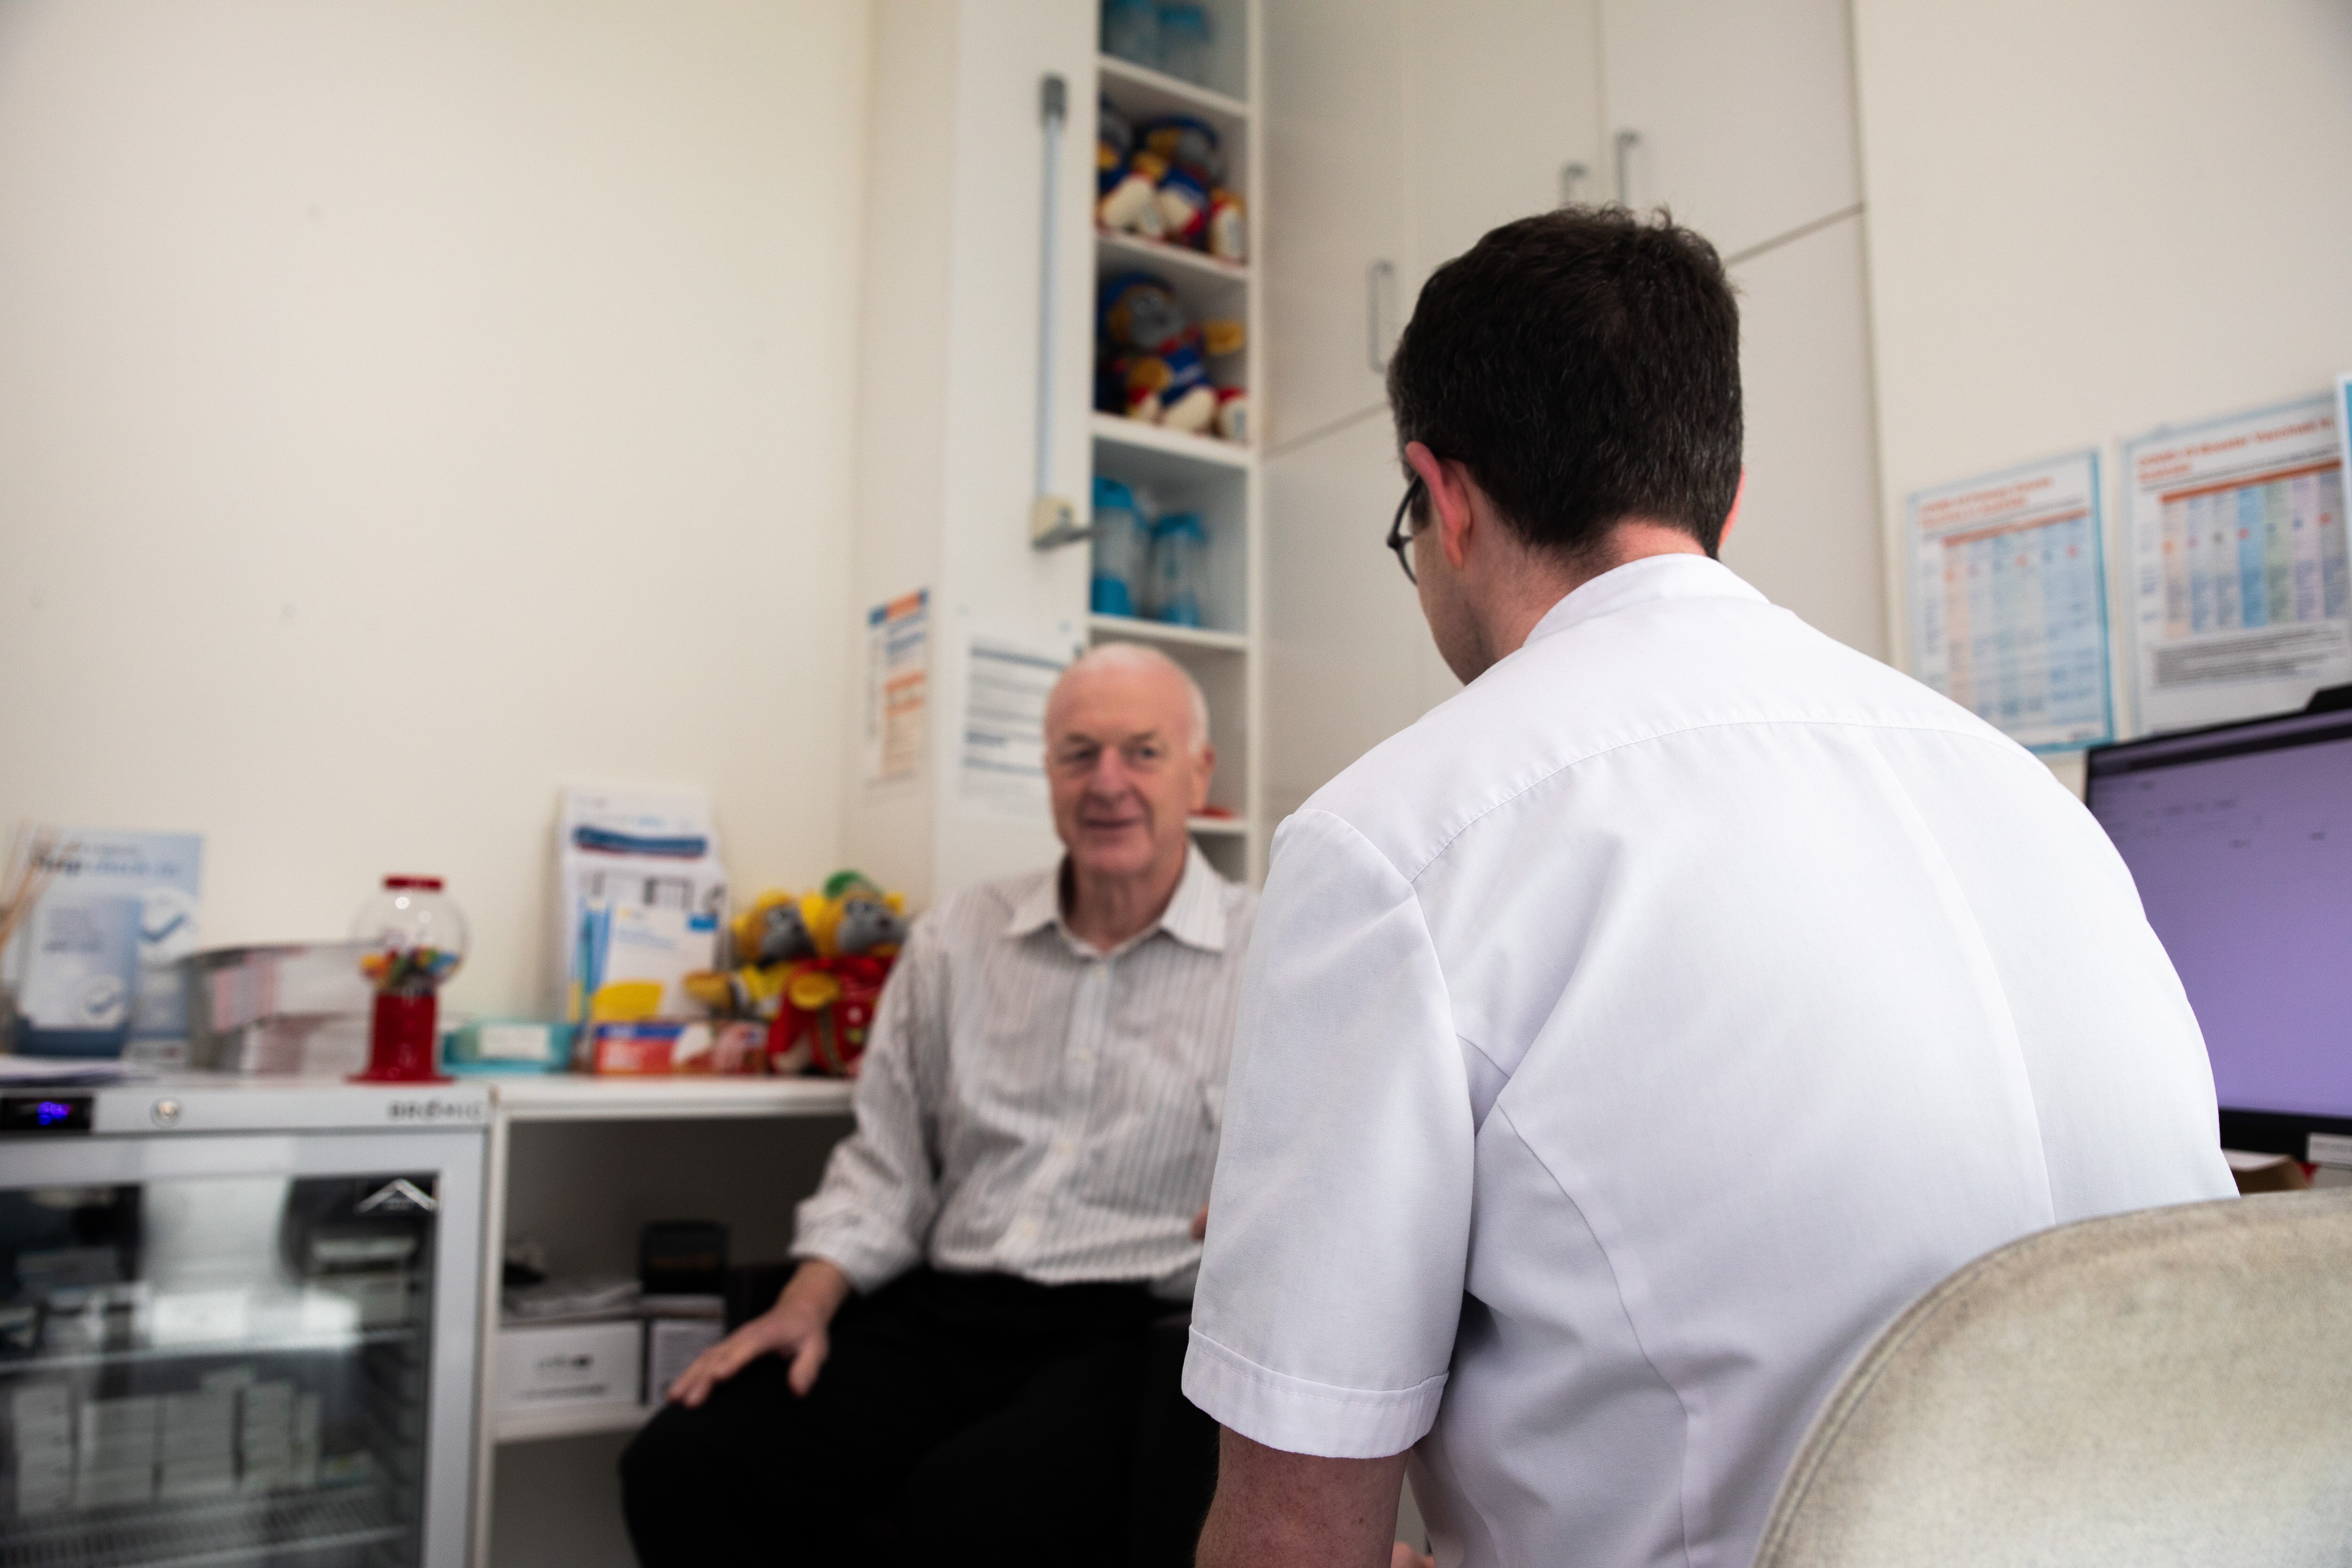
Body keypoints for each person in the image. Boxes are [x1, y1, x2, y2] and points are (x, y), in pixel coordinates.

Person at [1183, 207, 2237, 1568]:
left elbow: (1295, 1533)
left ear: (1443, 499)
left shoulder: (1397, 842)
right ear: (1726, 499)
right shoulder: (2025, 788)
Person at [619, 643, 1255, 1568]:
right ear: (1047, 772)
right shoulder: (958, 938)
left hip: (1135, 1333)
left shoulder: (1271, 951)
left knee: (968, 1514)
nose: (1107, 782)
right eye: (1078, 752)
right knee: (682, 1464)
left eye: (1142, 751)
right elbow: (887, 1165)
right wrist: (804, 1300)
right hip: (947, 1309)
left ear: (1199, 772)